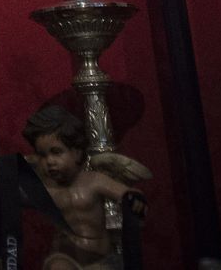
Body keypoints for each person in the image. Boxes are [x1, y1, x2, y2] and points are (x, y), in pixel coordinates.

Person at [23, 106, 146, 270]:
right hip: (66, 257)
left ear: (77, 152)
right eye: (43, 155)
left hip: (101, 258)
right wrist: (4, 178)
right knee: (58, 267)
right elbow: (17, 197)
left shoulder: (93, 181)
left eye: (56, 152)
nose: (49, 161)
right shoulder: (46, 188)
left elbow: (126, 193)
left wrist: (135, 200)